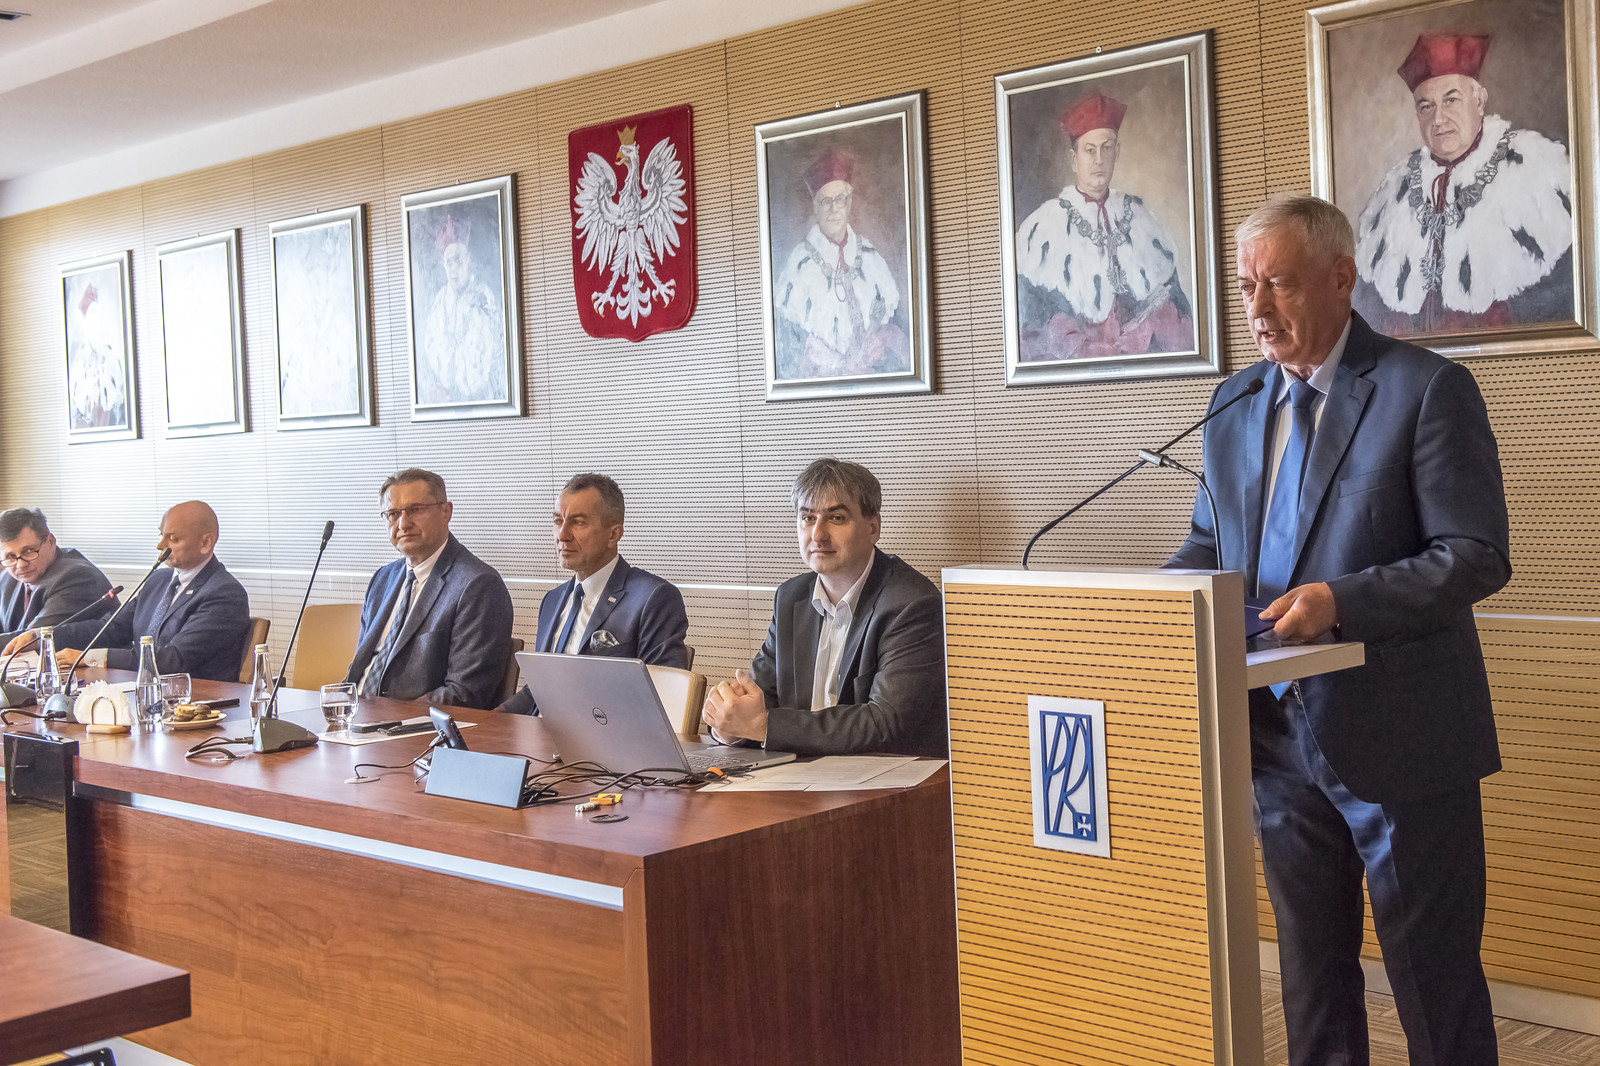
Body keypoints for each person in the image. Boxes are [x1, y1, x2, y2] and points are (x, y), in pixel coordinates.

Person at [1167, 194, 1508, 1065]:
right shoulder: (1235, 401)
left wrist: (1339, 601)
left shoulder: (1424, 389)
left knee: (1432, 983)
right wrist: (1158, 604)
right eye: (1246, 286)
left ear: (1341, 277)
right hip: (1274, 732)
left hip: (1402, 735)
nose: (1256, 307)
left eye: (1278, 284)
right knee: (1311, 978)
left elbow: (1473, 555)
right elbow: (1211, 545)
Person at [702, 458, 946, 757]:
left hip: (889, 774)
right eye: (808, 518)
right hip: (802, 771)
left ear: (873, 527)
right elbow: (761, 700)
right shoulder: (791, 597)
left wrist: (763, 726)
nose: (818, 534)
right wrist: (730, 725)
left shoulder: (911, 603)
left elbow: (885, 723)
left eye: (837, 518)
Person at [1354, 33, 1573, 335]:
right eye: (1426, 106)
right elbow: (1368, 302)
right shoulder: (1396, 187)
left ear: (1479, 101)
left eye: (1451, 100)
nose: (1439, 119)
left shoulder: (1533, 166)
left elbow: (1561, 293)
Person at [1014, 90, 1193, 361]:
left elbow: (1179, 313)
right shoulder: (1041, 231)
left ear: (1116, 153)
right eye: (1090, 150)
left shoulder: (1145, 223)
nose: (1099, 159)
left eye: (1106, 148)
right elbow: (1031, 327)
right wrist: (1084, 348)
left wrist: (1150, 327)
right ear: (1073, 159)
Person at [499, 474, 689, 715]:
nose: (562, 535)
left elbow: (662, 701)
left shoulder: (653, 598)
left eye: (578, 522)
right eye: (558, 521)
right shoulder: (552, 600)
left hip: (605, 735)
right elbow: (538, 690)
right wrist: (486, 723)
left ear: (613, 534)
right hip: (540, 733)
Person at [346, 469, 513, 710]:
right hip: (355, 716)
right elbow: (361, 670)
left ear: (446, 512)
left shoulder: (478, 585)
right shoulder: (382, 579)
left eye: (416, 510)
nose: (403, 524)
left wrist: (386, 716)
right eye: (393, 514)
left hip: (414, 725)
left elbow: (465, 693)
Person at [45, 501, 252, 683]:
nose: (160, 546)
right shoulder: (158, 580)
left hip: (197, 702)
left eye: (173, 539)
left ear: (205, 542)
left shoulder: (224, 594)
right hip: (142, 690)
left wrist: (90, 658)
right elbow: (111, 628)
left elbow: (173, 659)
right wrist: (45, 637)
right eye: (162, 536)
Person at [773, 148, 910, 379]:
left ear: (849, 203)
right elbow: (792, 353)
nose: (833, 208)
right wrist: (838, 364)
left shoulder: (869, 255)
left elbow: (893, 329)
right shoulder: (799, 263)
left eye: (839, 199)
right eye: (825, 201)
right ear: (815, 207)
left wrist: (880, 346)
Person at [417, 218, 504, 405]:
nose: (454, 269)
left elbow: (499, 348)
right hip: (447, 398)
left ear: (468, 260)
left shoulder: (483, 296)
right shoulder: (439, 301)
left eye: (458, 261)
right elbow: (428, 348)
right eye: (449, 263)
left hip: (480, 396)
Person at [0, 508, 116, 648]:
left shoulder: (78, 576)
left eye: (29, 551)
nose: (21, 564)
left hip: (88, 661)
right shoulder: (7, 577)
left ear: (51, 541)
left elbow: (32, 640)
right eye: (10, 556)